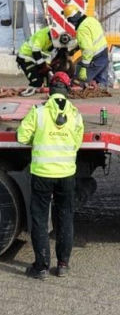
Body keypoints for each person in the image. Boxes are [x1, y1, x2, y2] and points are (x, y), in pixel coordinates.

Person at [16, 70, 84, 280]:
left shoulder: (38, 112)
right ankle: (63, 265)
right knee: (65, 218)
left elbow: (21, 136)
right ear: (67, 91)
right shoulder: (75, 115)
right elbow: (77, 143)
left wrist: (38, 140)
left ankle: (42, 267)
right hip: (66, 175)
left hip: (42, 175)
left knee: (39, 219)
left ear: (50, 91)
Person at [63, 4, 111, 87]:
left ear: (72, 19)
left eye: (69, 20)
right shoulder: (91, 20)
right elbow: (91, 39)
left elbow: (87, 50)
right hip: (104, 53)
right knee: (101, 84)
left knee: (78, 81)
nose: (70, 22)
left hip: (95, 58)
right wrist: (75, 49)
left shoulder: (81, 29)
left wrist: (84, 67)